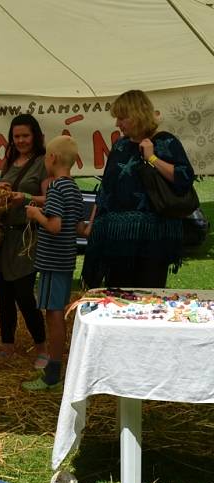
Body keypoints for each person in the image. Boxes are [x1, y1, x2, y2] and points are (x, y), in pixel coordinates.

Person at [85, 90, 195, 288]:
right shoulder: (120, 146)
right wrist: (93, 225)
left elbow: (184, 177)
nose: (117, 124)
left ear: (137, 115)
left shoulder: (165, 142)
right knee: (117, 294)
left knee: (148, 296)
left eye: (122, 118)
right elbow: (105, 189)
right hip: (117, 240)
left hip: (153, 240)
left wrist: (152, 158)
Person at [0, 114, 48, 369]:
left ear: (35, 137)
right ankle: (6, 346)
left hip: (26, 235)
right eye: (16, 136)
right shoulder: (10, 162)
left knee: (24, 294)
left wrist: (27, 196)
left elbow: (49, 197)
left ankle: (42, 347)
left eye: (25, 136)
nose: (20, 140)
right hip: (4, 236)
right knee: (4, 295)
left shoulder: (42, 162)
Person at [22, 136, 85, 391]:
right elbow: (78, 226)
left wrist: (36, 214)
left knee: (54, 314)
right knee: (56, 311)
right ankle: (56, 369)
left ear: (52, 158)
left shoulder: (57, 188)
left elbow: (55, 225)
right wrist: (37, 201)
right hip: (65, 259)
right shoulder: (73, 188)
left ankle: (53, 372)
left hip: (52, 261)